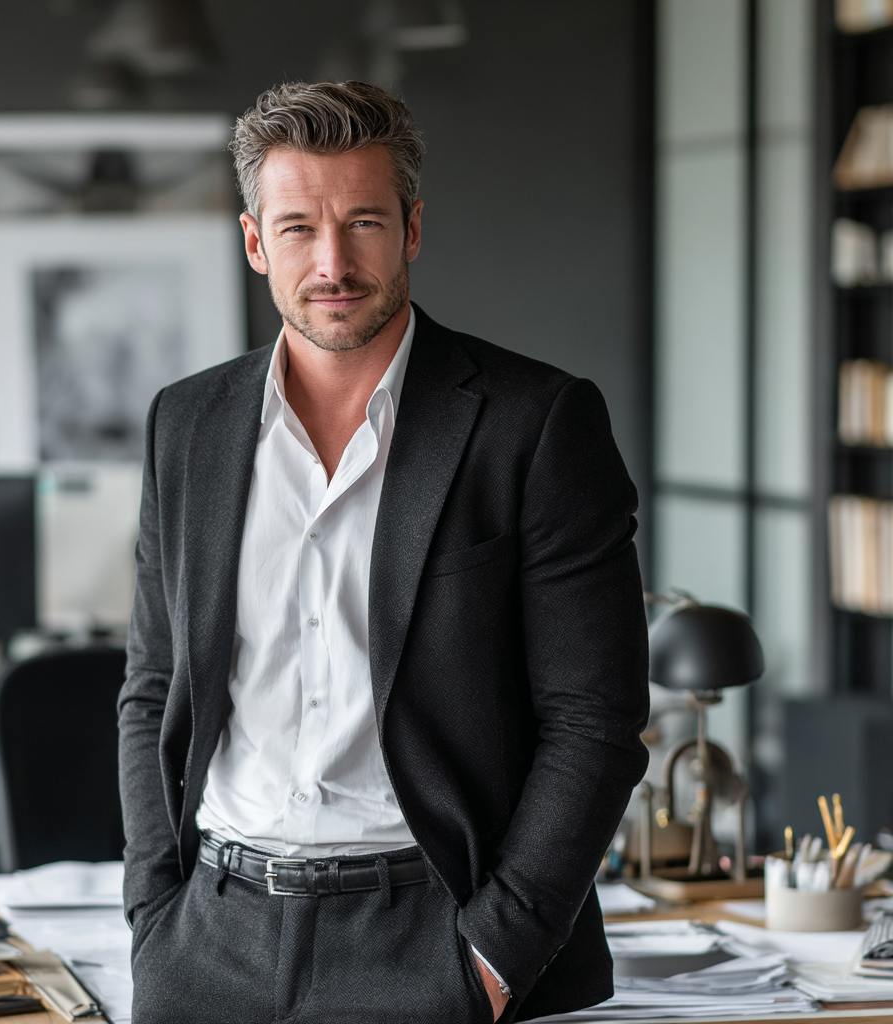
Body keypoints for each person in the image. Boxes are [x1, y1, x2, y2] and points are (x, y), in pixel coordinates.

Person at [120, 80, 649, 1024]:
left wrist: (494, 955)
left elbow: (596, 718)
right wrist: (153, 915)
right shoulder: (186, 424)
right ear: (254, 242)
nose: (332, 262)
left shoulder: (535, 424)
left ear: (411, 228)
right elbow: (154, 690)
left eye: (362, 222)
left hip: (430, 940)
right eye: (297, 229)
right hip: (208, 945)